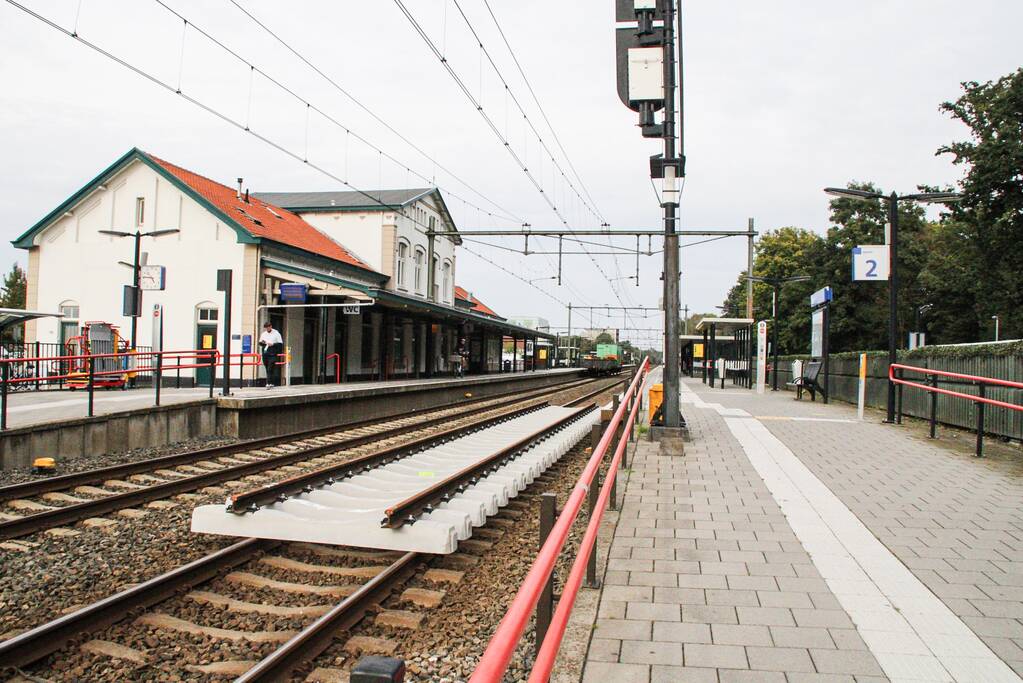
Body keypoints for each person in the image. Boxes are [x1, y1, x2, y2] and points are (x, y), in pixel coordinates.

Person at [259, 321, 283, 388]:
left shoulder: (276, 333)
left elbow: (280, 344)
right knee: (267, 367)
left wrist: (273, 344)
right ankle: (271, 382)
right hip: (265, 352)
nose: (267, 329)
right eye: (266, 328)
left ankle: (268, 383)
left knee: (270, 367)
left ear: (271, 326)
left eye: (268, 328)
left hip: (273, 353)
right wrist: (263, 342)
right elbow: (260, 343)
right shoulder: (263, 334)